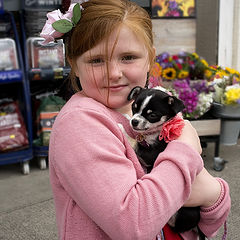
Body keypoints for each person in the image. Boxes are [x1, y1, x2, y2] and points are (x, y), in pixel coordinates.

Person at [40, 0, 231, 239]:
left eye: (128, 57)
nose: (114, 73)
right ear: (73, 65)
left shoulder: (152, 105)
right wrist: (185, 150)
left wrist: (215, 194)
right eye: (96, 60)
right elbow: (133, 224)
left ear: (150, 58)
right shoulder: (79, 124)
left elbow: (205, 217)